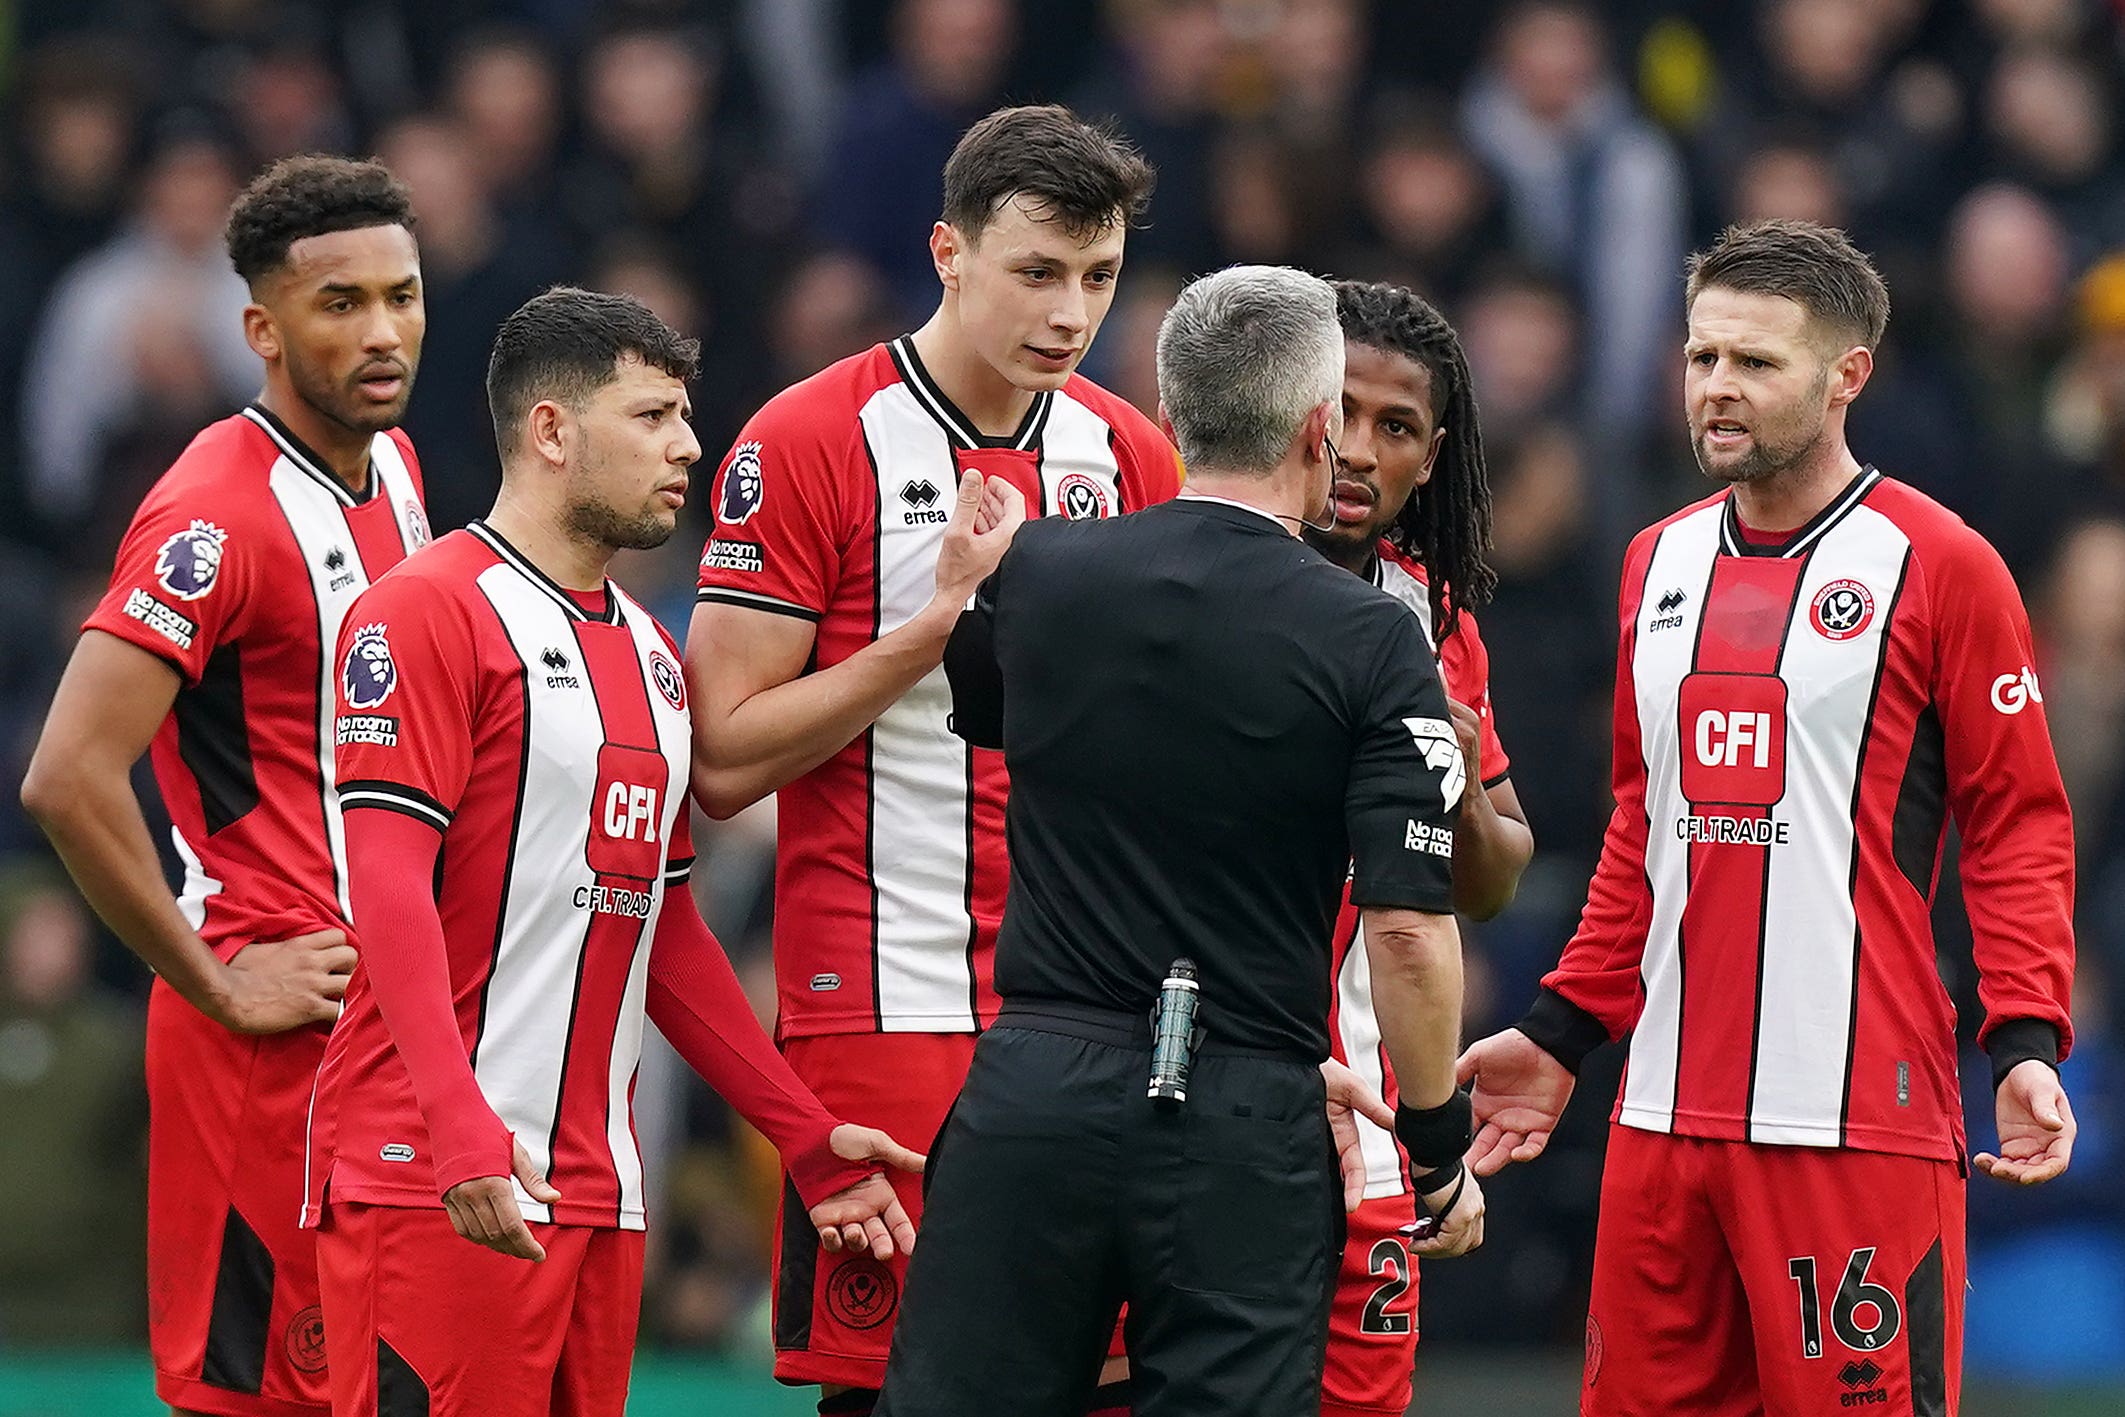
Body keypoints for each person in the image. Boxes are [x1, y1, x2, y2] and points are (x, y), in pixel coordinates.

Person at [1459, 219, 2080, 1417]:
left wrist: (2024, 1037)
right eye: (1700, 359)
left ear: (1847, 375)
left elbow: (2018, 822)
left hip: (1854, 1118)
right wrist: (1562, 1028)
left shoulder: (1942, 565)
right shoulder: (1656, 561)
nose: (1717, 389)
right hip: (1657, 1123)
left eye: (1755, 362)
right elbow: (1647, 832)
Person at [302, 287, 931, 1417]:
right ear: (551, 431)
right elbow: (386, 888)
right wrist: (456, 1126)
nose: (689, 443)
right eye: (650, 416)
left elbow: (665, 926)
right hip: (435, 1181)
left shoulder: (650, 652)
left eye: (684, 415)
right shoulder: (424, 612)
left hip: (598, 1194)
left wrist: (803, 1137)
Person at [876, 264, 1486, 1417]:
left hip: (1034, 1086)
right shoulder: (1370, 634)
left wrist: (971, 586)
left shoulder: (1044, 571)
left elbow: (988, 706)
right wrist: (1435, 1141)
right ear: (1317, 428)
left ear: (1166, 420)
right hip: (1239, 1108)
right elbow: (1406, 930)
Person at [686, 103, 1179, 1414]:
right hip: (885, 992)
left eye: (1098, 277)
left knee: (1110, 1385)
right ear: (947, 253)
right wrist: (934, 633)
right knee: (899, 1388)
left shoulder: (1131, 454)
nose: (1070, 311)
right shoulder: (805, 442)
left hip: (1095, 1008)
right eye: (1036, 271)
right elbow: (722, 761)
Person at [20, 154, 429, 1417]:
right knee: (262, 1398)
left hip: (380, 1022)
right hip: (263, 1033)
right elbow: (66, 776)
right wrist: (210, 977)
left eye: (403, 297)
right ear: (260, 327)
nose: (381, 332)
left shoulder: (396, 469)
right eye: (339, 303)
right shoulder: (212, 516)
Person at [1302, 280, 1534, 1417]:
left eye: (1394, 428)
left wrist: (1458, 766)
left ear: (1431, 457)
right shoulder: (1186, 557)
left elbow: (1489, 880)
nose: (1356, 448)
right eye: (1337, 407)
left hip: (1377, 1114)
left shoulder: (1432, 617)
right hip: (1193, 1085)